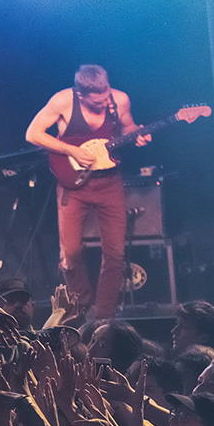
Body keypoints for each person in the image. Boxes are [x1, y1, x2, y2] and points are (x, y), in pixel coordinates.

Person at [26, 65, 151, 320]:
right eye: (97, 102)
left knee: (115, 254)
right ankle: (80, 307)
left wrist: (137, 135)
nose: (104, 103)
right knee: (70, 253)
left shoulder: (119, 99)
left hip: (109, 183)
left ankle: (104, 319)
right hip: (73, 185)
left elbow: (128, 126)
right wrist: (71, 150)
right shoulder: (63, 101)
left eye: (106, 97)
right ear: (81, 95)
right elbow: (33, 134)